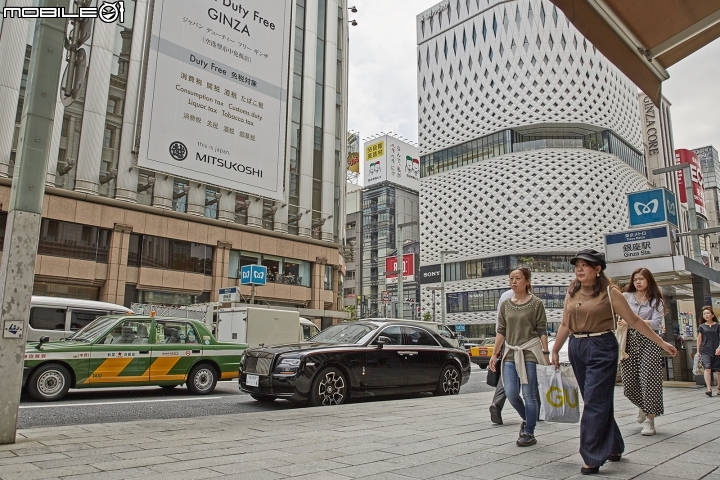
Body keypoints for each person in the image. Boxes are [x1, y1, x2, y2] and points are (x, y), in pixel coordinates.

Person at [550, 249, 677, 475]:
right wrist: (555, 350)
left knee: (594, 403)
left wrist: (661, 343)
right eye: (577, 265)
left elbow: (635, 321)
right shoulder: (572, 291)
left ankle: (591, 455)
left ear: (598, 269)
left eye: (585, 265)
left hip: (602, 346)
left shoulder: (611, 293)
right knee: (594, 399)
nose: (579, 269)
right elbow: (565, 324)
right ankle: (614, 446)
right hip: (577, 347)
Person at [489, 267, 549, 447]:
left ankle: (528, 432)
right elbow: (501, 330)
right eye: (511, 279)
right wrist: (494, 353)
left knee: (529, 394)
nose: (513, 282)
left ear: (527, 281)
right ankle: (528, 419)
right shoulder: (506, 304)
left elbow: (542, 330)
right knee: (511, 393)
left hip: (529, 352)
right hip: (510, 352)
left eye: (517, 278)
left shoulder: (536, 303)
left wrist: (546, 353)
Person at [618, 268, 666, 436]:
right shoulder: (625, 297)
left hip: (649, 341)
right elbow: (617, 316)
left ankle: (650, 420)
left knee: (649, 380)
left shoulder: (656, 300)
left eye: (641, 279)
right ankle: (644, 406)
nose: (638, 282)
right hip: (629, 341)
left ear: (648, 281)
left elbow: (657, 323)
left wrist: (635, 322)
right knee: (629, 386)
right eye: (635, 279)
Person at [489, 288, 514, 425]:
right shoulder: (529, 297)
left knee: (506, 373)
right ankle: (538, 409)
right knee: (530, 374)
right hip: (525, 342)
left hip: (506, 341)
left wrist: (497, 348)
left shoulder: (505, 295)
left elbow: (499, 325)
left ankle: (496, 403)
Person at [696, 306, 720, 397]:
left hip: (717, 350)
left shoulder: (718, 326)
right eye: (704, 314)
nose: (706, 315)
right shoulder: (701, 327)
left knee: (718, 370)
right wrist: (698, 351)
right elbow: (699, 339)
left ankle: (719, 388)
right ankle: (709, 388)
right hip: (705, 350)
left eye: (708, 313)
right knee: (707, 368)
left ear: (712, 315)